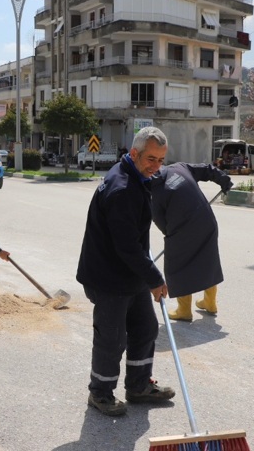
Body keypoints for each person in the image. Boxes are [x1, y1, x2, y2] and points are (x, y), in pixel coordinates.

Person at [76, 126, 175, 417]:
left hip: (129, 274)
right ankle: (101, 393)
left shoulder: (134, 175)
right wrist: (155, 278)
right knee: (112, 339)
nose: (156, 167)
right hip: (108, 277)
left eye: (161, 160)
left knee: (145, 328)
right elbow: (127, 247)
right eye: (151, 159)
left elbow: (132, 246)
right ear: (135, 154)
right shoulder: (121, 189)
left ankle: (139, 386)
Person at [150, 162, 233, 322]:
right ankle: (210, 303)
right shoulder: (180, 168)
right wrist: (224, 180)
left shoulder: (154, 191)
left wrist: (170, 235)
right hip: (207, 222)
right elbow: (207, 169)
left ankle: (184, 310)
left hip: (182, 230)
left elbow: (158, 219)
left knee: (177, 267)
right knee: (208, 260)